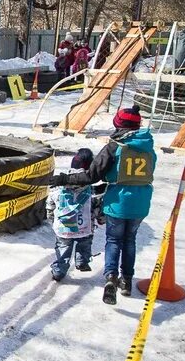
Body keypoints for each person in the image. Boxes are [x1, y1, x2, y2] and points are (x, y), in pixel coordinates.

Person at [49, 105, 156, 305]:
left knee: (114, 240)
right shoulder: (148, 145)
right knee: (130, 241)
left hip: (118, 202)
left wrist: (64, 179)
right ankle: (127, 281)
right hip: (141, 202)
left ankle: (110, 278)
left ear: (118, 124)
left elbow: (91, 175)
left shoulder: (115, 146)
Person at [46, 148, 101, 281]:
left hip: (64, 228)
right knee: (84, 243)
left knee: (63, 248)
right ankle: (82, 261)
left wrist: (51, 219)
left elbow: (50, 205)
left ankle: (59, 271)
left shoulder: (58, 187)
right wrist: (100, 219)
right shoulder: (91, 191)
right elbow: (96, 208)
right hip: (85, 227)